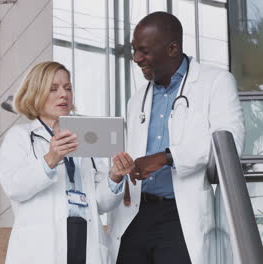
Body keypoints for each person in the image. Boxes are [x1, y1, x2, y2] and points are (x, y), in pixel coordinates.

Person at [105, 12, 245, 264]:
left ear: (172, 48)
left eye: (144, 51)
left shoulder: (215, 82)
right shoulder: (138, 98)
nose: (136, 58)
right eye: (134, 50)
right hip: (136, 214)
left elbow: (229, 142)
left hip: (180, 216)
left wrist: (166, 157)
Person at [0, 61, 134, 264]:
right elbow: (14, 187)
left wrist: (115, 176)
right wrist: (50, 159)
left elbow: (102, 203)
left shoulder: (86, 138)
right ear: (35, 93)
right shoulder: (20, 137)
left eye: (67, 88)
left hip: (85, 239)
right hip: (42, 247)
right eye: (53, 89)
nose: (64, 94)